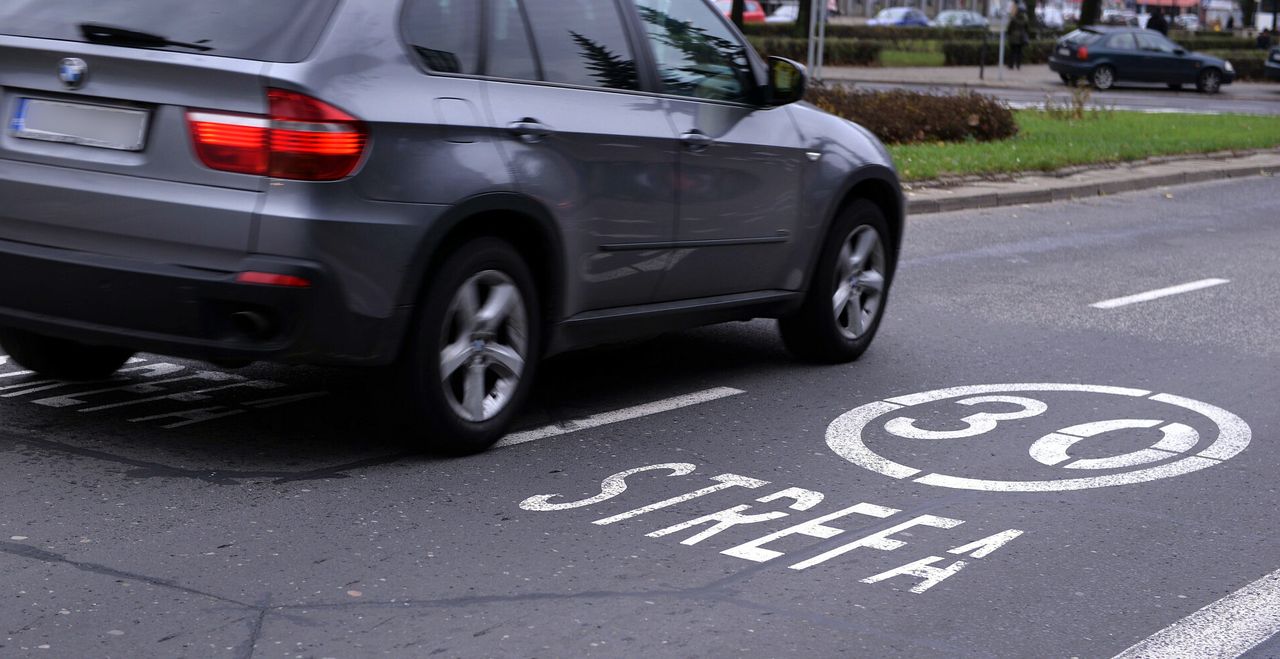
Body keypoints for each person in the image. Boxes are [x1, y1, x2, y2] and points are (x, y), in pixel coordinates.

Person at [1006, 3, 1030, 70]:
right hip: (1021, 38)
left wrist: (1008, 34)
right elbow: (1027, 28)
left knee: (1012, 52)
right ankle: (1018, 65)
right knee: (1019, 52)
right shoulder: (1025, 19)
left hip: (1013, 37)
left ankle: (1011, 65)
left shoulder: (1014, 18)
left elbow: (1009, 28)